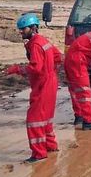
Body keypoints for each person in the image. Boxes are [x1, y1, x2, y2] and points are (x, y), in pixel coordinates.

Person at [6, 13, 62, 164]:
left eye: (23, 29)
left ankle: (39, 153)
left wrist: (18, 69)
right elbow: (58, 57)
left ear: (33, 28)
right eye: (20, 29)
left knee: (34, 119)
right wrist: (50, 71)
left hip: (43, 84)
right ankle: (50, 146)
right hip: (50, 81)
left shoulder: (36, 45)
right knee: (46, 117)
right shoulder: (43, 41)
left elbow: (36, 68)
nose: (20, 32)